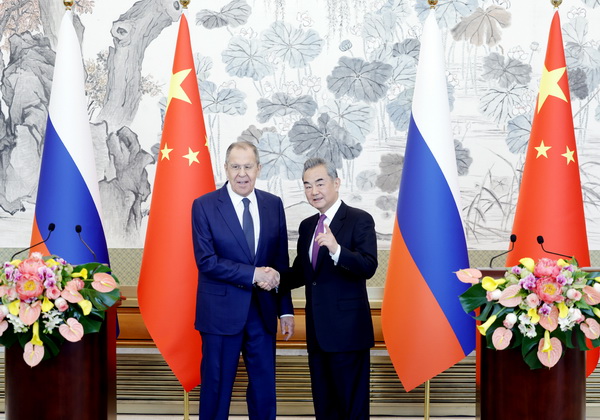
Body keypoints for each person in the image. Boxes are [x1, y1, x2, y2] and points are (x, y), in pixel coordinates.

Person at [191, 141, 294, 420]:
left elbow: (280, 261)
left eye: (248, 166)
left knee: (264, 391)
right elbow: (206, 261)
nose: (242, 174)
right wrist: (253, 274)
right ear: (225, 168)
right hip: (220, 314)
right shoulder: (204, 206)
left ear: (258, 168)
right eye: (235, 166)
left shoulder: (273, 205)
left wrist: (285, 310)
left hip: (263, 312)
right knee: (216, 389)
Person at [283, 157, 378, 420]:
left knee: (352, 409)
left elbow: (368, 266)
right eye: (307, 185)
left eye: (320, 183)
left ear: (336, 183)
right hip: (317, 333)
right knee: (325, 409)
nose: (313, 191)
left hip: (348, 334)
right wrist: (269, 277)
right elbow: (301, 273)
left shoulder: (359, 219)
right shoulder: (307, 226)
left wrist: (337, 250)